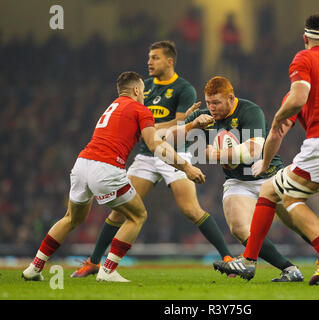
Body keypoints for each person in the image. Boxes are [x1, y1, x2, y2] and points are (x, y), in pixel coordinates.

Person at [213, 14, 319, 286]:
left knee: (277, 193)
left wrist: (276, 124)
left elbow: (295, 103)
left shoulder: (304, 59)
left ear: (305, 39)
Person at [22, 71, 206, 282]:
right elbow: (155, 144)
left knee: (71, 218)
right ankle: (108, 270)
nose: (144, 95)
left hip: (82, 164)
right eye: (143, 91)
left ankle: (34, 267)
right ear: (137, 90)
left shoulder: (113, 107)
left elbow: (152, 128)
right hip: (106, 168)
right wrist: (186, 167)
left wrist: (181, 122)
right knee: (137, 216)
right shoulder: (140, 108)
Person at [71, 41, 233, 278]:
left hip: (175, 150)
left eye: (155, 58)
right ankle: (95, 262)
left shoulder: (183, 89)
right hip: (147, 155)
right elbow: (139, 121)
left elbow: (180, 126)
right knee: (119, 212)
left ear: (170, 61)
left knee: (190, 209)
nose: (149, 62)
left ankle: (227, 258)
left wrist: (150, 127)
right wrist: (148, 128)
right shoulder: (142, 88)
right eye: (149, 58)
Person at [214, 91, 319, 282]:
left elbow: (278, 131)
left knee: (274, 191)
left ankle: (252, 259)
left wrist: (265, 163)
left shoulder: (301, 88)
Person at [168, 76, 304, 282]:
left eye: (216, 103)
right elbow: (166, 141)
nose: (211, 108)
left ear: (231, 98)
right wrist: (191, 124)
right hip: (239, 181)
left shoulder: (250, 111)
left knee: (297, 222)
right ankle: (289, 269)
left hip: (269, 176)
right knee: (239, 228)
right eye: (208, 103)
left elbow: (252, 152)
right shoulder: (203, 117)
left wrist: (213, 154)